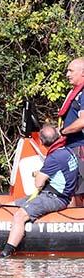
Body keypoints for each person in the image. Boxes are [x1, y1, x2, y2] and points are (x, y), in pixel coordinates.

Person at [0, 125, 79, 258]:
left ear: (42, 142)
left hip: (55, 198)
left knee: (19, 216)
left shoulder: (54, 158)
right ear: (58, 137)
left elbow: (38, 183)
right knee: (13, 205)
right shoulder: (68, 151)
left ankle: (7, 252)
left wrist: (39, 174)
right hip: (60, 194)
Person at [58, 57, 84, 206]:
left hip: (79, 149)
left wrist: (62, 132)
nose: (67, 74)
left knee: (78, 193)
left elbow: (82, 121)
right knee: (72, 191)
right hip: (71, 148)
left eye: (71, 71)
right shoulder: (76, 92)